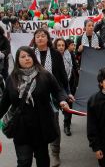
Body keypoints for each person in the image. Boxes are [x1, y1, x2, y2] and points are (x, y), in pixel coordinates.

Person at [0, 46, 70, 167]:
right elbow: (4, 103)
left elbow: (58, 91)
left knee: (43, 161)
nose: (27, 58)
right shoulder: (12, 79)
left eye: (29, 56)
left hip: (41, 126)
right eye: (23, 56)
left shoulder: (45, 75)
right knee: (24, 161)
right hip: (21, 128)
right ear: (17, 60)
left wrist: (62, 101)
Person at [33, 28, 72, 167]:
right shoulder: (30, 54)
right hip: (34, 94)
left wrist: (67, 92)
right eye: (37, 36)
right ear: (35, 39)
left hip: (53, 94)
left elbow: (62, 74)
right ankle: (40, 149)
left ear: (48, 38)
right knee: (37, 123)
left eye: (43, 36)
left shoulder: (55, 54)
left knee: (53, 123)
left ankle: (55, 153)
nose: (40, 38)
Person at [54, 38, 79, 137]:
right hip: (56, 85)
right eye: (59, 45)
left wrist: (77, 71)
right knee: (58, 107)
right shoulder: (52, 57)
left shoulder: (70, 54)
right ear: (55, 46)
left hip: (69, 84)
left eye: (62, 45)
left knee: (69, 106)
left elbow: (75, 66)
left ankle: (66, 125)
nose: (61, 47)